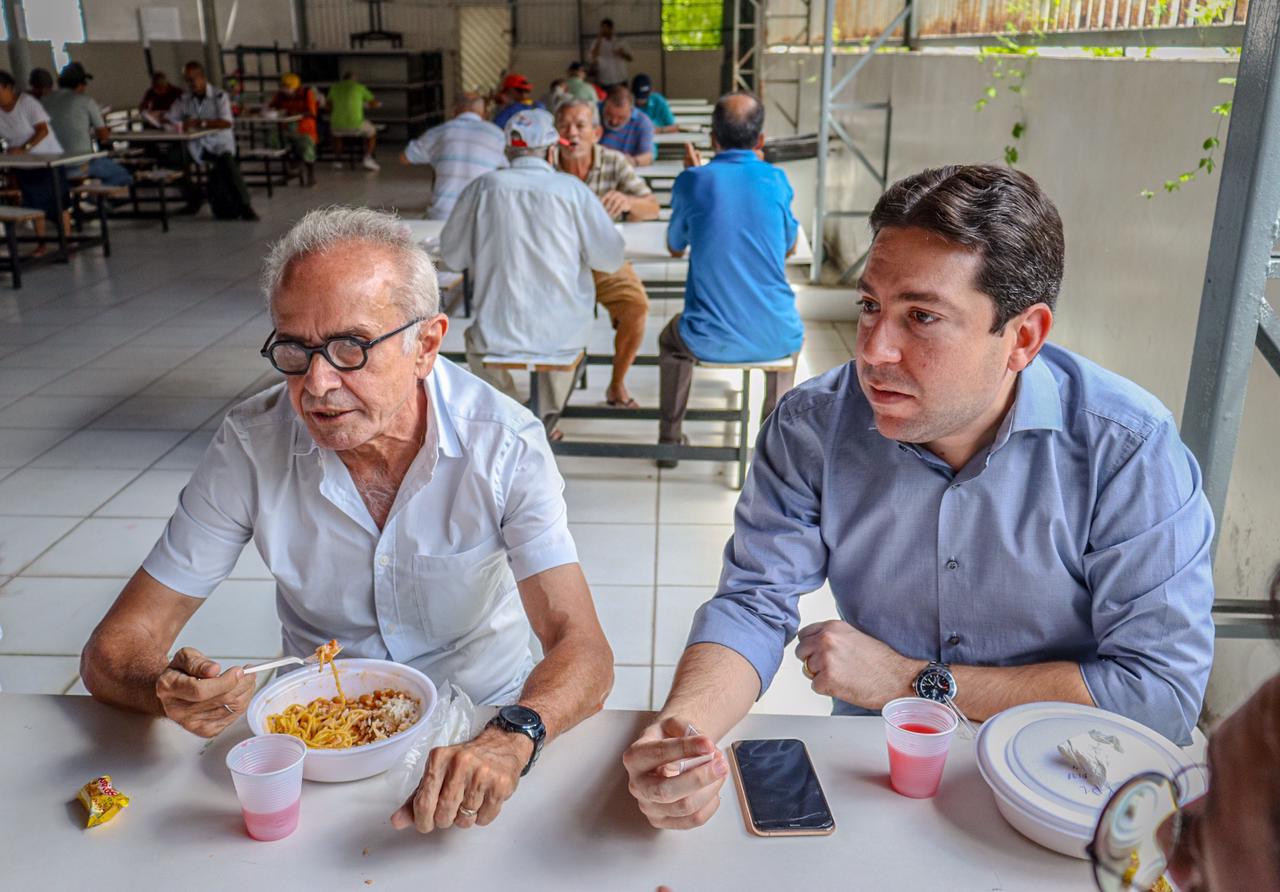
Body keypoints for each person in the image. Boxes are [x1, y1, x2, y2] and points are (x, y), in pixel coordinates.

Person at [624, 162, 1217, 829]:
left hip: (1070, 783)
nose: (874, 349)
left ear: (1023, 337)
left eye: (922, 317)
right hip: (879, 765)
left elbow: (1159, 694)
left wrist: (911, 681)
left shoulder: (1125, 448)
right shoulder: (814, 426)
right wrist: (684, 735)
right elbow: (755, 602)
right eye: (871, 306)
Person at [80, 206, 614, 834]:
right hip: (324, 737)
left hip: (482, 724)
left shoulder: (504, 444)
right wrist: (164, 689)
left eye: (349, 347)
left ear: (427, 345)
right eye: (294, 349)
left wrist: (512, 734)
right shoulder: (251, 445)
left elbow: (585, 650)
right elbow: (112, 652)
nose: (316, 383)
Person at [441, 108, 624, 429]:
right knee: (571, 336)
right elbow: (609, 259)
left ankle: (513, 413)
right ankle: (545, 417)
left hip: (495, 334)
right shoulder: (573, 191)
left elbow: (452, 259)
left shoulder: (481, 189)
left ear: (508, 150)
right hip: (563, 336)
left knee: (475, 342)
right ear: (552, 151)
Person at [657, 92, 801, 466]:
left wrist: (693, 175)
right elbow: (789, 245)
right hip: (776, 335)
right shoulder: (776, 178)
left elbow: (675, 246)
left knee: (669, 340)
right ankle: (770, 455)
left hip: (709, 339)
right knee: (786, 345)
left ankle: (669, 440)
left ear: (712, 139)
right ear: (761, 141)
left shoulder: (693, 179)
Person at [551, 98, 658, 408]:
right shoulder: (544, 163)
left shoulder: (613, 161)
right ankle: (550, 402)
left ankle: (617, 384)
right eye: (564, 126)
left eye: (580, 126)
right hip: (554, 261)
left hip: (604, 258)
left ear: (596, 132)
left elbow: (652, 207)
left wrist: (628, 202)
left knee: (636, 306)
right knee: (544, 315)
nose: (572, 133)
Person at [167, 61, 258, 221]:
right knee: (171, 159)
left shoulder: (219, 96)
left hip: (218, 143)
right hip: (196, 145)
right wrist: (166, 120)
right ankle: (194, 197)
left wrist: (201, 122)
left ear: (202, 77)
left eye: (193, 79)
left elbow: (227, 122)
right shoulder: (184, 99)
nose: (191, 83)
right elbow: (171, 117)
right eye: (187, 80)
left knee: (228, 164)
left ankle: (245, 205)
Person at [400, 92, 507, 221]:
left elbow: (404, 158)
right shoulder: (497, 135)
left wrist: (438, 155)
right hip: (481, 217)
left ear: (453, 111)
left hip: (442, 216)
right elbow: (508, 168)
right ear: (484, 114)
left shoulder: (438, 132)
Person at [0, 69, 68, 255]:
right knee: (34, 203)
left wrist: (24, 148)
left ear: (7, 87)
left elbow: (42, 130)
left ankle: (66, 243)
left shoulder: (27, 103)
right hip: (23, 164)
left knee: (58, 203)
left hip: (48, 159)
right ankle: (42, 244)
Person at [39, 62, 132, 188]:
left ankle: (88, 198)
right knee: (123, 176)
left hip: (53, 165)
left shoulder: (44, 101)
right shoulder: (86, 101)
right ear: (80, 84)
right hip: (81, 163)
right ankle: (95, 200)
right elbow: (103, 136)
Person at [268, 72, 319, 187]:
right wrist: (269, 111)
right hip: (285, 127)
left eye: (288, 87)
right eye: (283, 87)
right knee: (274, 140)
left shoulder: (307, 93)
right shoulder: (280, 95)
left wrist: (295, 114)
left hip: (304, 128)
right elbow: (272, 106)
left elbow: (312, 112)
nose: (285, 89)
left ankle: (311, 175)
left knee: (307, 147)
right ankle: (292, 167)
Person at [327, 71, 381, 172]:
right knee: (372, 132)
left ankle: (337, 160)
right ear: (354, 79)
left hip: (337, 125)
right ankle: (367, 158)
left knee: (337, 136)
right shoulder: (359, 87)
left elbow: (328, 106)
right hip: (356, 125)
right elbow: (374, 103)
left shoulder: (334, 87)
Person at [599, 86, 654, 166]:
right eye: (609, 115)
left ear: (631, 110)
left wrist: (633, 161)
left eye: (621, 117)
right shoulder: (593, 112)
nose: (614, 121)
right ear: (604, 105)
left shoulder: (643, 122)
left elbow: (648, 156)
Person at [589, 18, 632, 88]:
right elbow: (593, 57)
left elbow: (630, 59)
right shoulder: (596, 43)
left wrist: (622, 54)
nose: (604, 30)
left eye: (606, 28)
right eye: (602, 28)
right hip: (605, 80)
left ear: (611, 28)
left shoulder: (621, 42)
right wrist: (599, 39)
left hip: (621, 79)